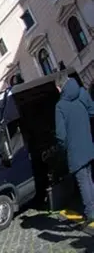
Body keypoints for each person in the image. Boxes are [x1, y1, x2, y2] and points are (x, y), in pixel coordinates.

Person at [55, 72, 94, 222]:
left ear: (60, 87)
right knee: (89, 177)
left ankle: (90, 212)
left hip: (74, 149)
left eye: (57, 88)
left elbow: (60, 134)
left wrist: (65, 147)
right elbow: (92, 110)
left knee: (83, 181)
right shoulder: (82, 93)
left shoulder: (60, 106)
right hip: (88, 143)